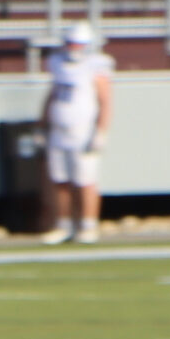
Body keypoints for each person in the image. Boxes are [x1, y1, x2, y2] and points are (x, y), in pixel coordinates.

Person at [42, 21, 112, 245]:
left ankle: (88, 225)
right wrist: (41, 123)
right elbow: (52, 94)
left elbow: (106, 102)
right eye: (70, 43)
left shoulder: (96, 67)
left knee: (85, 181)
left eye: (78, 44)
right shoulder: (58, 63)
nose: (73, 48)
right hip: (59, 129)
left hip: (83, 132)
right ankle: (63, 225)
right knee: (59, 179)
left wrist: (101, 131)